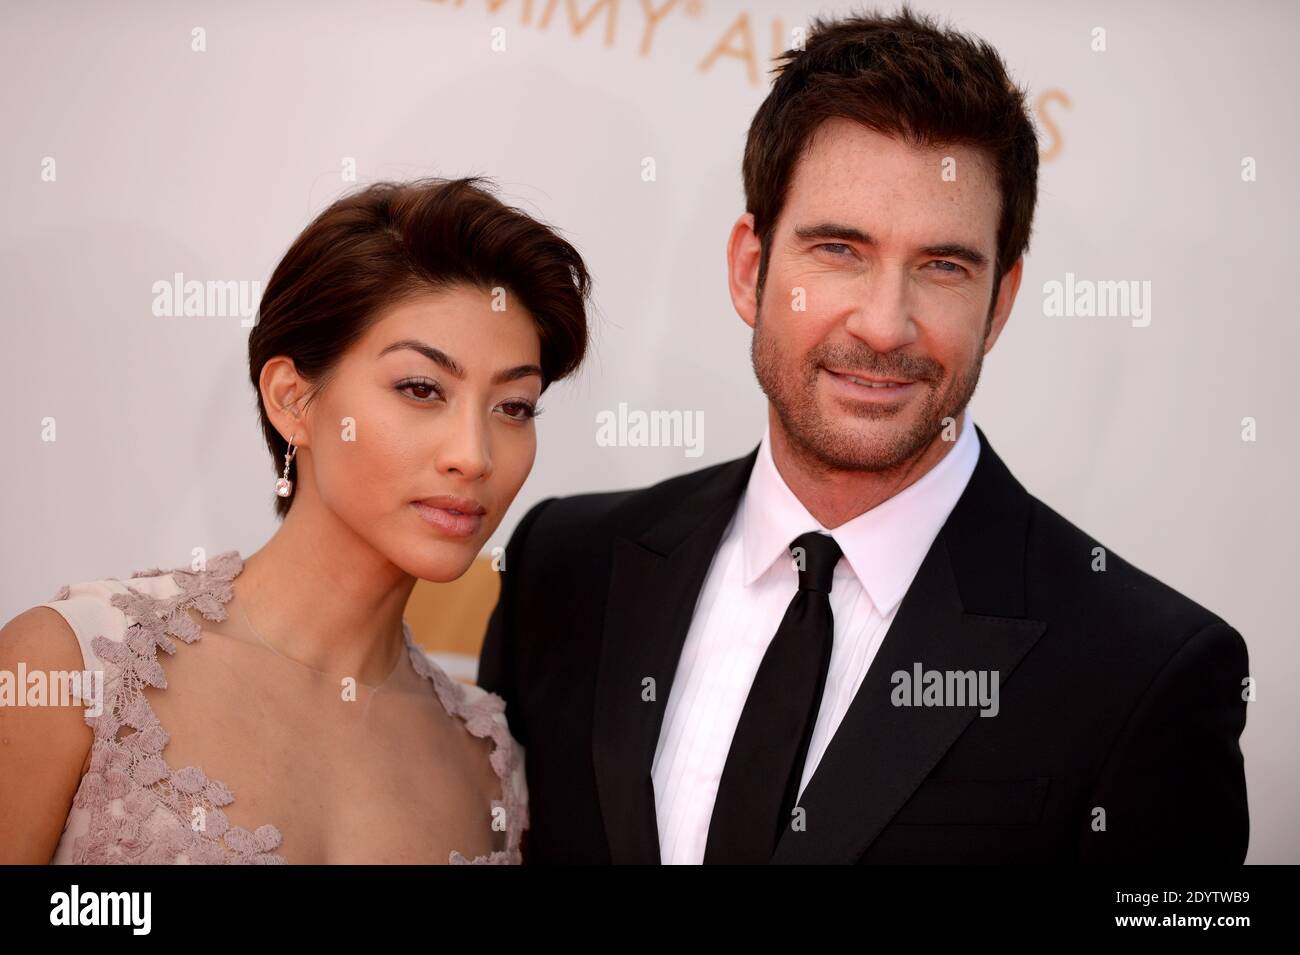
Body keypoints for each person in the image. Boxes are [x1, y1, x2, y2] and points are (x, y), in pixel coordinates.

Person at [477, 7, 1250, 864]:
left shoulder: (1145, 670)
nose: (885, 326)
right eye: (839, 250)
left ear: (999, 303)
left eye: (942, 266)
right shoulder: (564, 568)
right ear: (750, 268)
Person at [0, 176, 591, 864]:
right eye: (421, 388)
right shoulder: (70, 669)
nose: (474, 455)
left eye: (513, 406)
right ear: (292, 399)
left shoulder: (490, 766)